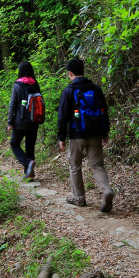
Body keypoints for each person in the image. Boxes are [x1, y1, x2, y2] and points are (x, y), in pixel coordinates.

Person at [57, 58, 115, 213]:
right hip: (96, 133)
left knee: (75, 165)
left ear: (70, 73)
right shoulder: (96, 89)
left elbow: (62, 116)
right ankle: (106, 190)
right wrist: (105, 132)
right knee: (97, 165)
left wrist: (61, 138)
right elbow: (104, 111)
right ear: (83, 71)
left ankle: (79, 198)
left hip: (77, 135)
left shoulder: (69, 91)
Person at [7, 61, 45, 180]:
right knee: (30, 147)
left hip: (20, 122)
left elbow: (12, 105)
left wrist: (10, 122)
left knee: (14, 143)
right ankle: (30, 174)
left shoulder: (17, 85)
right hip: (34, 121)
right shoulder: (35, 83)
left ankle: (27, 163)